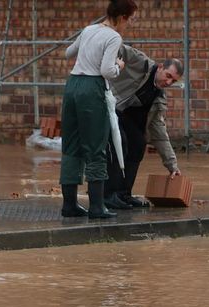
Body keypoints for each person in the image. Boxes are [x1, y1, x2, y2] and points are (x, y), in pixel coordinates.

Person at [59, 0, 138, 219]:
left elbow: (68, 53)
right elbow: (106, 71)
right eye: (131, 20)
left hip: (72, 86)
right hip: (91, 90)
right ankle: (96, 206)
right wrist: (119, 66)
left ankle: (69, 205)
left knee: (71, 145)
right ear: (122, 17)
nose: (130, 24)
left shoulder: (89, 29)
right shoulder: (114, 37)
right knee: (95, 146)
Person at [102, 52, 184, 210]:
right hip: (110, 107)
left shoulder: (158, 97)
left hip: (128, 118)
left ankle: (124, 194)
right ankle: (109, 195)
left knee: (139, 145)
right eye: (167, 76)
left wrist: (172, 165)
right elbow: (120, 47)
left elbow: (159, 133)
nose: (168, 82)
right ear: (160, 67)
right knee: (120, 145)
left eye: (173, 80)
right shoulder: (141, 63)